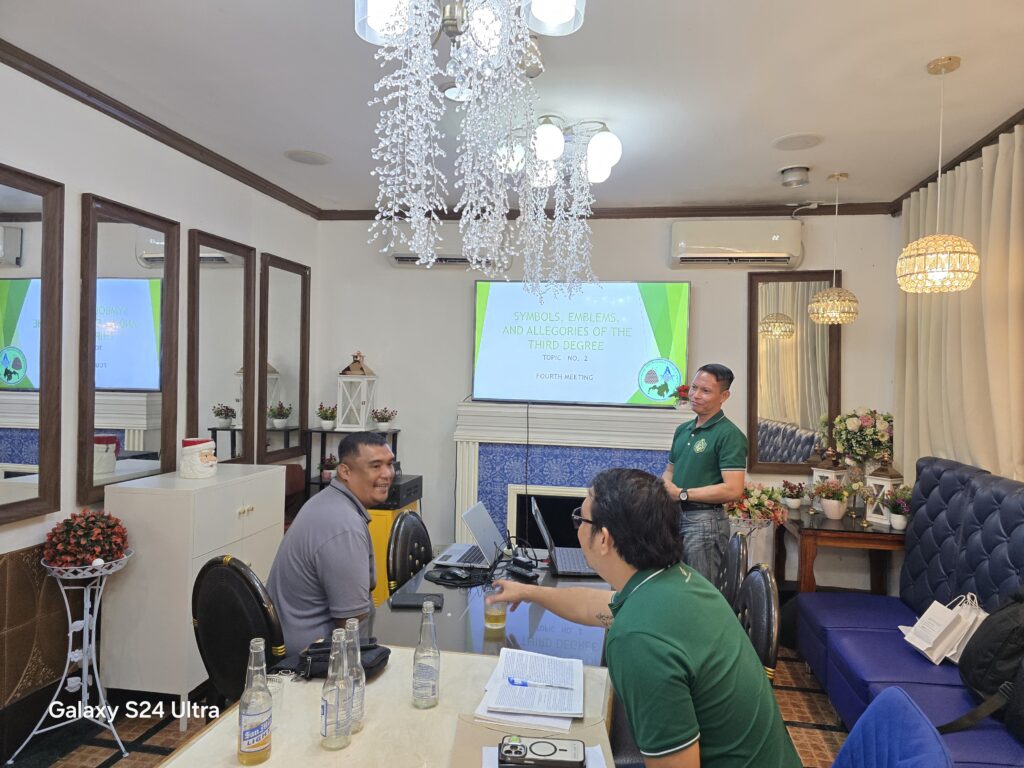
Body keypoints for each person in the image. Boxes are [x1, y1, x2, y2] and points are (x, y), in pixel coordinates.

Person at [488, 469, 800, 768]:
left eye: (580, 519)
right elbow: (596, 605)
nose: (578, 527)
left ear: (604, 539)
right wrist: (529, 592)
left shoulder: (637, 639)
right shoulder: (677, 579)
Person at [267, 431, 394, 655]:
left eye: (390, 464)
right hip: (311, 657)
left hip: (295, 641)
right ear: (345, 471)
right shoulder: (344, 527)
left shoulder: (327, 501)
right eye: (375, 466)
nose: (387, 474)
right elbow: (352, 623)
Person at [662, 363, 746, 582]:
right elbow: (670, 471)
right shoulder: (683, 430)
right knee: (677, 586)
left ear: (724, 396)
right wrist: (665, 487)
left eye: (705, 391)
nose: (696, 395)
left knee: (700, 589)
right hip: (674, 517)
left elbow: (733, 489)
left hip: (704, 522)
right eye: (694, 387)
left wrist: (682, 493)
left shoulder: (729, 435)